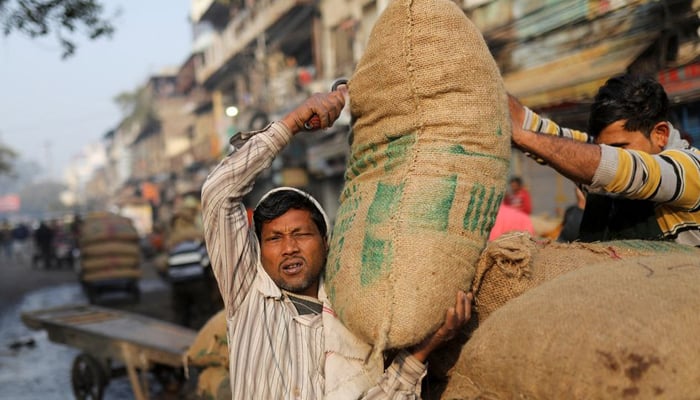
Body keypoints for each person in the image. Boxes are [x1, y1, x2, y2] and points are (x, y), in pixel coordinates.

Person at [201, 88, 473, 399]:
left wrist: (427, 346)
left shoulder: (356, 319)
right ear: (259, 249)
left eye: (301, 235)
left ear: (326, 242)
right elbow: (217, 193)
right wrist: (293, 122)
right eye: (274, 238)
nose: (289, 248)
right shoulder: (247, 293)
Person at [509, 74, 700, 246]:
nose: (609, 154)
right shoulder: (598, 159)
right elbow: (531, 126)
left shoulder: (690, 168)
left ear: (660, 134)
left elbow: (618, 167)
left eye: (620, 149)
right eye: (602, 148)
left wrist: (523, 138)